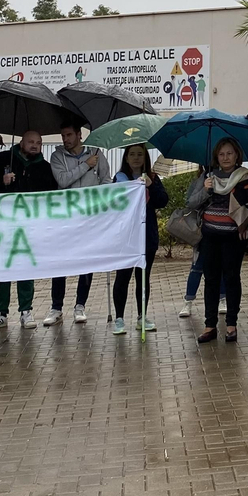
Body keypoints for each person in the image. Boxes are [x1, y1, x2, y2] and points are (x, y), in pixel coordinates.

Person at [0, 131, 58, 329]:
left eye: (39, 142)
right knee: (2, 267)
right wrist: (1, 180)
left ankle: (26, 310)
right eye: (31, 142)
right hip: (3, 223)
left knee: (25, 267)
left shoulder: (44, 167)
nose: (35, 145)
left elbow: (53, 194)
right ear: (21, 143)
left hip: (29, 226)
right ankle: (0, 312)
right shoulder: (3, 159)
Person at [187, 138, 248, 343]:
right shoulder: (208, 176)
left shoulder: (247, 178)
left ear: (237, 155)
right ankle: (210, 326)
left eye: (229, 153)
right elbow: (191, 202)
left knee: (232, 278)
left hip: (234, 237)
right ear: (216, 157)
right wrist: (206, 189)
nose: (225, 158)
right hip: (209, 236)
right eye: (221, 154)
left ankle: (231, 325)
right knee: (210, 280)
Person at [45, 120, 108, 326]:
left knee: (86, 262)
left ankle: (80, 305)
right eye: (63, 136)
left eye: (69, 135)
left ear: (79, 134)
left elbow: (106, 180)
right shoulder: (57, 156)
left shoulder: (97, 153)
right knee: (60, 263)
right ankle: (56, 307)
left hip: (89, 218)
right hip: (65, 218)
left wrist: (101, 202)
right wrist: (85, 165)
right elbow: (63, 181)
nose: (65, 140)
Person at [112, 143, 170, 335]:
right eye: (132, 154)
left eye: (140, 154)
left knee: (143, 278)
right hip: (126, 236)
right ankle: (119, 318)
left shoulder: (152, 178)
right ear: (126, 158)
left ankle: (141, 316)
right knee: (123, 277)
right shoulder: (119, 179)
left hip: (147, 235)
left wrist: (150, 186)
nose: (136, 158)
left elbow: (162, 200)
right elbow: (113, 204)